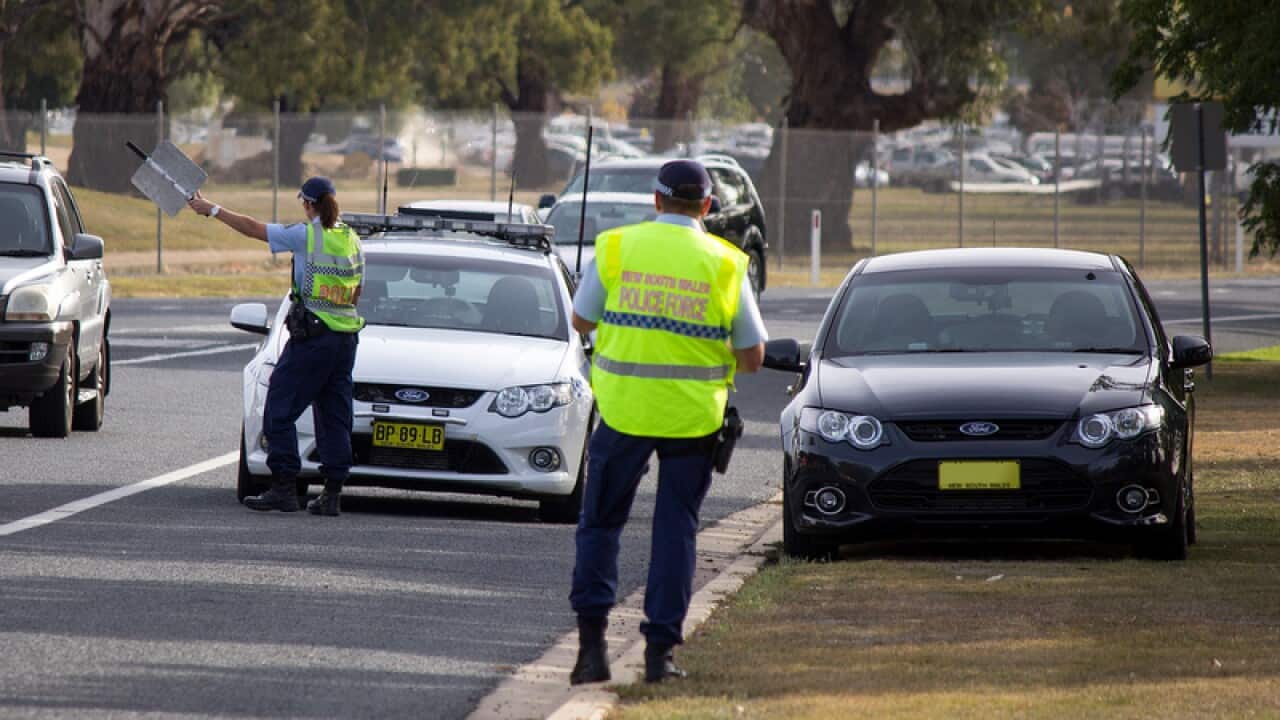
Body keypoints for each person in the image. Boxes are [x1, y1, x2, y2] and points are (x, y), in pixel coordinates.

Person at [567, 160, 767, 685]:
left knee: (600, 527)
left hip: (624, 412)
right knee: (676, 532)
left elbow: (581, 320)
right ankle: (659, 657)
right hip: (692, 421)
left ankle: (591, 653)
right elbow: (753, 354)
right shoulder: (726, 263)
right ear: (706, 207)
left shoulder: (614, 247)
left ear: (655, 201)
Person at [188, 176, 364, 517]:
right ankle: (332, 493)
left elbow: (254, 229)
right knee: (334, 417)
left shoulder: (307, 235)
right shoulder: (352, 238)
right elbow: (357, 291)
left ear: (308, 204)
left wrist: (211, 209)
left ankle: (284, 487)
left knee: (279, 408)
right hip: (345, 339)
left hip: (314, 337)